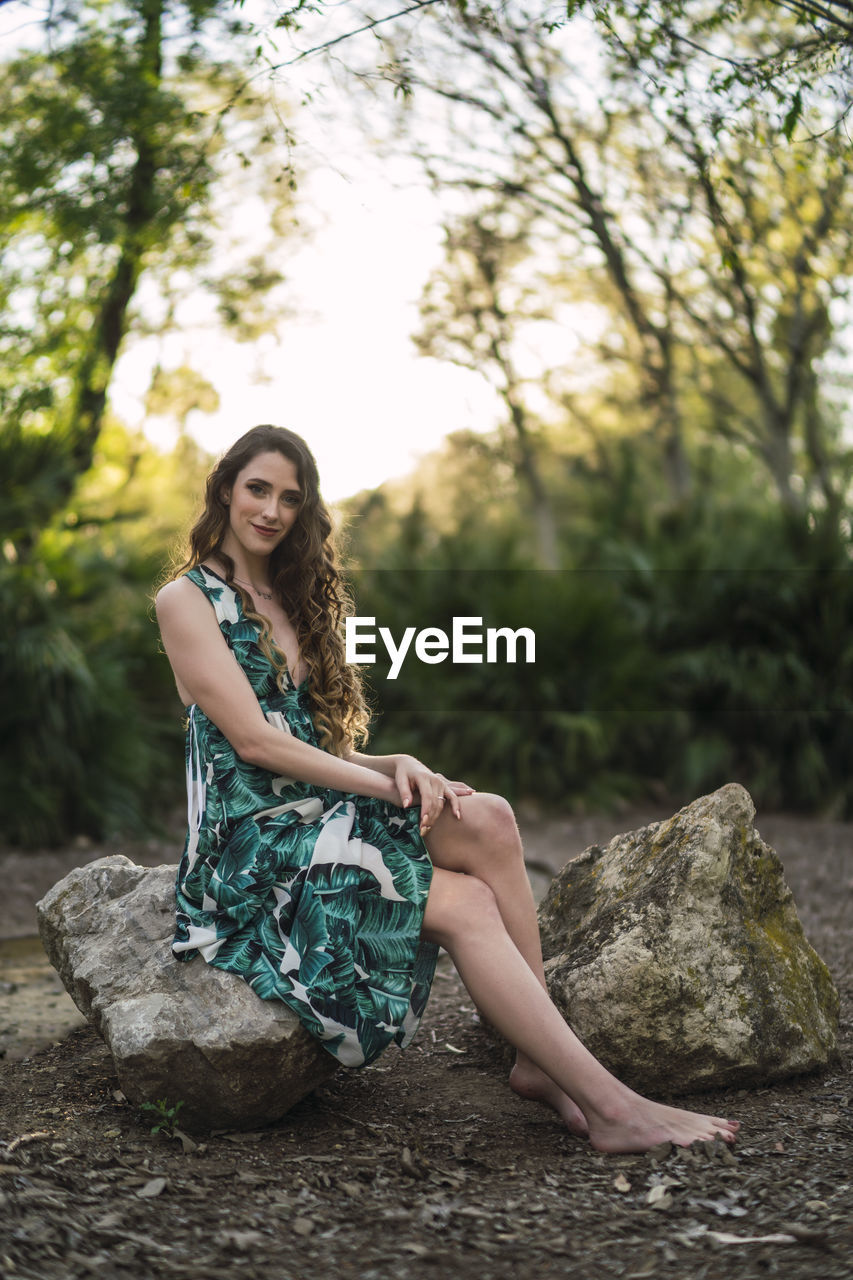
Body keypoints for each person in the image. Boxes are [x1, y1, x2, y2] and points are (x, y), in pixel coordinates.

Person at [155, 424, 739, 1154]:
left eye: (290, 498)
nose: (272, 510)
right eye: (258, 490)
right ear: (225, 490)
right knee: (465, 902)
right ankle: (613, 1106)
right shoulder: (186, 600)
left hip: (314, 810)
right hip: (251, 845)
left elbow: (317, 745)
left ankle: (539, 1060)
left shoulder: (293, 595)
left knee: (486, 817)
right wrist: (376, 786)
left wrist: (396, 763)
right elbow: (256, 743)